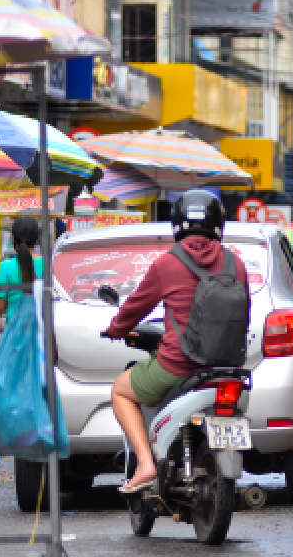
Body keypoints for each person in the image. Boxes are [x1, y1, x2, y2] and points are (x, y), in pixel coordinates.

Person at [101, 191, 249, 493]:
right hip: (227, 368)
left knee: (121, 390)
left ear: (178, 223)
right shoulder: (237, 264)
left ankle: (145, 462)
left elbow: (134, 308)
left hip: (178, 365)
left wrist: (116, 329)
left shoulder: (167, 265)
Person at [0, 217, 43, 353]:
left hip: (14, 336)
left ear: (13, 239)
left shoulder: (5, 267)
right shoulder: (49, 265)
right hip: (41, 335)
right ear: (36, 239)